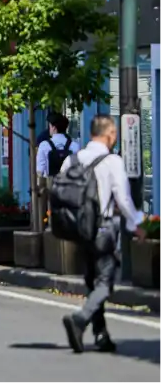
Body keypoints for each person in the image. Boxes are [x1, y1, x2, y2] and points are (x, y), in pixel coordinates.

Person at [61, 115, 146, 354]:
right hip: (103, 228)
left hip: (80, 230)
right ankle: (80, 319)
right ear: (109, 134)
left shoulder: (72, 159)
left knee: (92, 281)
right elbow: (123, 197)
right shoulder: (112, 161)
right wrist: (136, 223)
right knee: (106, 281)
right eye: (114, 133)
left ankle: (101, 335)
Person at [37, 113, 79, 179]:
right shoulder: (74, 145)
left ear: (54, 128)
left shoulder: (44, 145)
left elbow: (40, 171)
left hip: (51, 185)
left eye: (49, 126)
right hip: (70, 185)